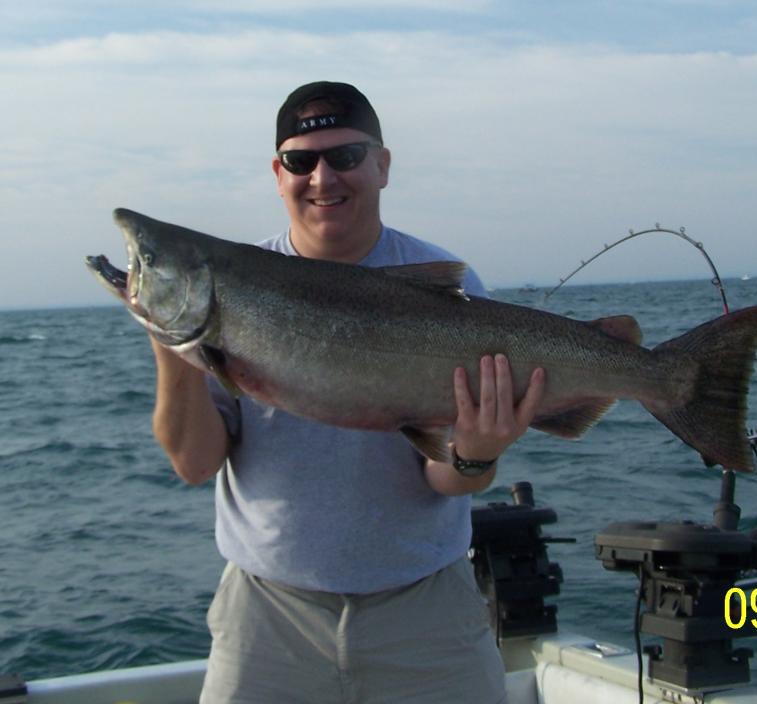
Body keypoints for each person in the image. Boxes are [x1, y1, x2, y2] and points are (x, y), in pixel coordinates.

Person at [148, 81, 547, 703]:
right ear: (278, 174)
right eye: (302, 161)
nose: (322, 177)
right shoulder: (232, 284)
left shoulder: (453, 283)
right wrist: (175, 350)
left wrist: (477, 452)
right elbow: (195, 464)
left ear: (383, 165)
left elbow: (448, 478)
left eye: (347, 156)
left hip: (427, 612)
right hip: (267, 618)